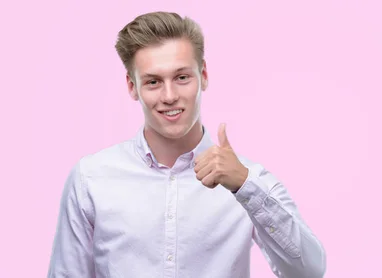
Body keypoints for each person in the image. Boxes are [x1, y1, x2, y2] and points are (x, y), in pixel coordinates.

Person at [47, 11, 326, 278]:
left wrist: (244, 186)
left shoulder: (250, 179)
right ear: (132, 87)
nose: (169, 96)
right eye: (153, 81)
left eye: (182, 77)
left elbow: (309, 272)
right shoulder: (91, 178)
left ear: (203, 76)